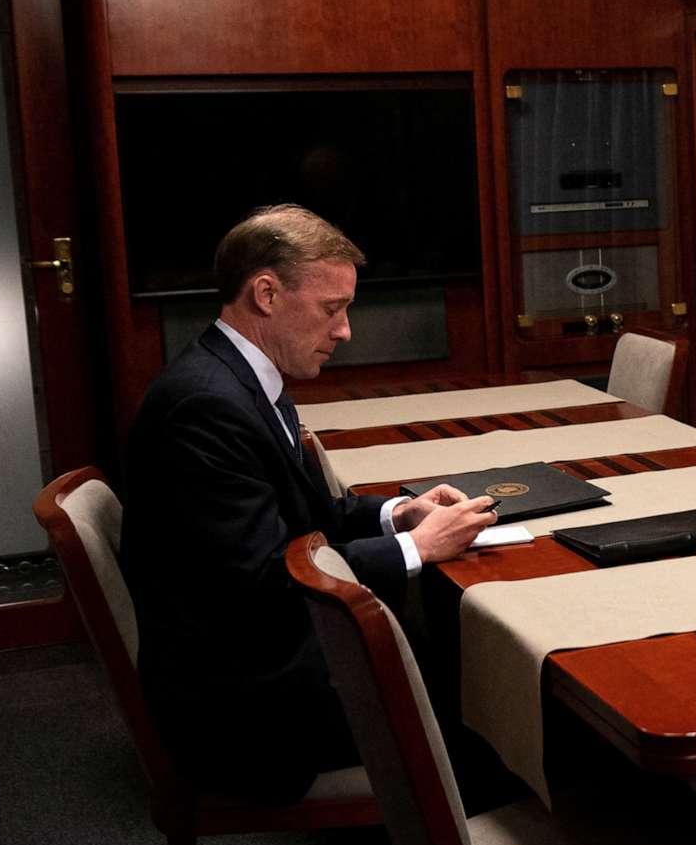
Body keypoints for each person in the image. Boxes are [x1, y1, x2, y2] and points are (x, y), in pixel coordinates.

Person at [121, 205, 497, 802]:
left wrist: (397, 514)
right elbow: (263, 581)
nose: (345, 330)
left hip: (255, 655)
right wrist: (414, 549)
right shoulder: (204, 406)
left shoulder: (238, 378)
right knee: (491, 710)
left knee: (466, 666)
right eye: (332, 308)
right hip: (242, 704)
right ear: (266, 294)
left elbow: (306, 517)